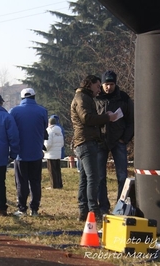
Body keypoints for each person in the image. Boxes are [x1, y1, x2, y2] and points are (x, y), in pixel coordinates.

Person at [70, 75, 118, 222]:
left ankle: (84, 210)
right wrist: (107, 117)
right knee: (93, 177)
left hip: (84, 141)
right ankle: (93, 210)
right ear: (90, 84)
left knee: (85, 177)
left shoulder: (83, 97)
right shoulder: (82, 98)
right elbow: (87, 118)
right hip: (86, 141)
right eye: (98, 86)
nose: (99, 90)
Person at [95, 70, 134, 215]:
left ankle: (120, 206)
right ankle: (103, 206)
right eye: (106, 84)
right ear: (102, 84)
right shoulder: (96, 98)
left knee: (122, 176)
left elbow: (131, 120)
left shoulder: (124, 98)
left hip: (119, 141)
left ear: (115, 84)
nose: (108, 87)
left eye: (111, 84)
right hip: (101, 141)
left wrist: (124, 138)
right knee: (100, 176)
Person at [9, 88, 48, 217]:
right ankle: (35, 209)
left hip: (20, 153)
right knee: (35, 181)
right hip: (36, 152)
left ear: (22, 98)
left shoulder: (14, 111)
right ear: (34, 97)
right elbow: (44, 128)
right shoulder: (42, 111)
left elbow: (11, 130)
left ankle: (22, 208)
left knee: (21, 182)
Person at [44, 117, 64, 189]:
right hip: (58, 152)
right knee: (57, 170)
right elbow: (62, 143)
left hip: (50, 153)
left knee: (52, 170)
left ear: (49, 123)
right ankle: (59, 184)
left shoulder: (49, 130)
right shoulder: (59, 130)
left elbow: (48, 143)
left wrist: (44, 150)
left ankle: (54, 185)